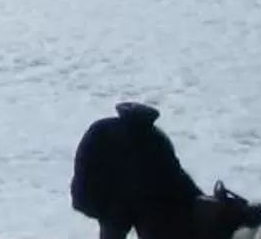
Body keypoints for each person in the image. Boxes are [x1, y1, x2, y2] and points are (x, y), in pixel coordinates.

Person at [72, 102, 203, 239]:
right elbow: (175, 176)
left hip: (124, 202)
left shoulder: (103, 130)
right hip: (113, 200)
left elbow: (174, 175)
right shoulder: (153, 140)